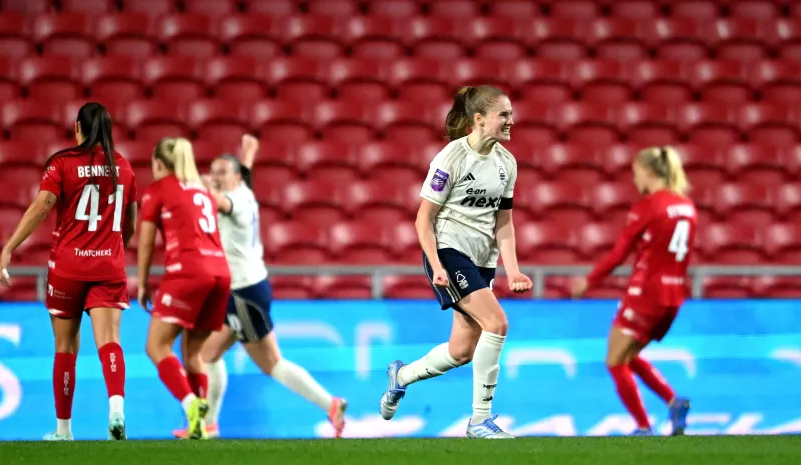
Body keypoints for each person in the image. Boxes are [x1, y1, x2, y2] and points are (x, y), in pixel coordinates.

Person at [379, 86, 532, 439]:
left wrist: (513, 270)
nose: (511, 121)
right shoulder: (451, 158)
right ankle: (480, 420)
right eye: (504, 115)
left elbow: (503, 222)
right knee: (497, 323)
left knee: (462, 351)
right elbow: (423, 219)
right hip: (449, 252)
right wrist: (436, 265)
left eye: (511, 114)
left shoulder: (507, 163)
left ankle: (400, 377)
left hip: (482, 260)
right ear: (479, 120)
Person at [171, 135, 348, 440]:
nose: (215, 175)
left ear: (236, 178)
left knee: (272, 363)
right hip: (237, 291)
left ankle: (329, 404)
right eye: (213, 170)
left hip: (244, 293)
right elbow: (232, 183)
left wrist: (194, 182)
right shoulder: (245, 191)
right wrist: (248, 154)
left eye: (222, 171)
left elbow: (217, 201)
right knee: (207, 356)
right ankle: (208, 425)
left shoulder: (236, 199)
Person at [0, 102, 137, 441]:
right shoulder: (123, 167)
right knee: (110, 341)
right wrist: (113, 249)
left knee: (65, 347)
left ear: (78, 128)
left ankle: (63, 431)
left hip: (68, 267)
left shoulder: (62, 163)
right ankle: (116, 409)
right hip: (108, 265)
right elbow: (129, 224)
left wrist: (9, 246)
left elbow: (41, 206)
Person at [570, 146, 695, 436]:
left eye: (636, 173)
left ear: (649, 172)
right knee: (626, 355)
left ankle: (642, 426)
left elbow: (618, 254)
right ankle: (674, 402)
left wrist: (589, 281)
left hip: (647, 293)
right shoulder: (687, 207)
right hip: (674, 297)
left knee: (614, 360)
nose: (635, 180)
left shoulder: (649, 206)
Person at [137, 137, 232, 440]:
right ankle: (199, 427)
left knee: (156, 346)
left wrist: (142, 283)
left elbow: (147, 242)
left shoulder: (158, 190)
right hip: (220, 273)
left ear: (159, 164)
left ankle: (192, 405)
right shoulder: (203, 190)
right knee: (194, 354)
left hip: (188, 271)